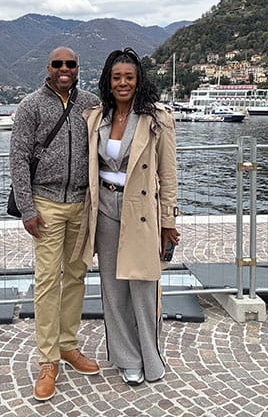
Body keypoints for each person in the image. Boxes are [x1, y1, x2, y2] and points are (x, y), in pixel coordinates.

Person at [73, 47, 180, 386]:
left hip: (141, 208)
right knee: (113, 289)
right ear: (108, 80)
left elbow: (169, 173)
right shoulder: (95, 116)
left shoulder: (158, 118)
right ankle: (127, 359)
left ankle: (151, 357)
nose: (123, 83)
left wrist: (169, 223)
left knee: (144, 287)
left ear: (138, 81)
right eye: (116, 77)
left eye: (129, 77)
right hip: (104, 206)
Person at [9, 46, 101, 402]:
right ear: (48, 68)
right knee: (47, 280)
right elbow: (17, 159)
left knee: (77, 275)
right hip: (45, 204)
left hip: (81, 203)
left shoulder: (91, 104)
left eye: (71, 64)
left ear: (78, 68)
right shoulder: (31, 105)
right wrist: (28, 209)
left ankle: (68, 345)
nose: (64, 69)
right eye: (58, 64)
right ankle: (47, 359)